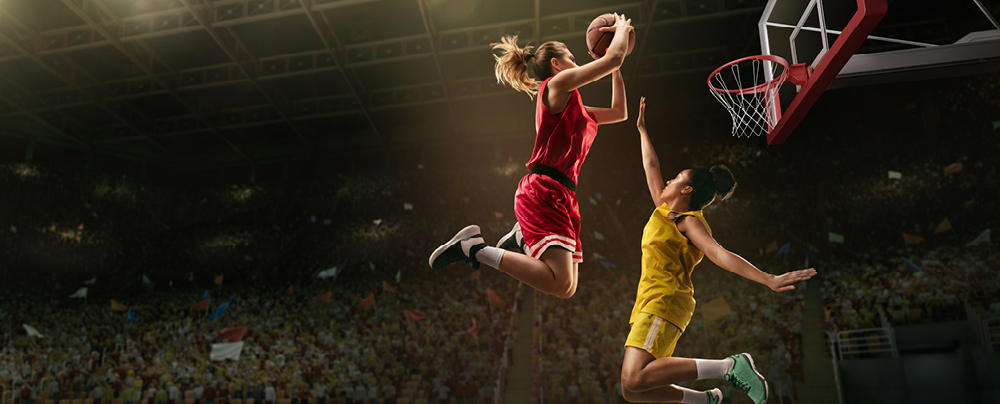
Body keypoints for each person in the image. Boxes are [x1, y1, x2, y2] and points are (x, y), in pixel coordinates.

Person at [617, 97, 817, 404]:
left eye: (677, 178)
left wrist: (767, 278)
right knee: (632, 390)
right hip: (649, 300)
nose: (668, 179)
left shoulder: (688, 221)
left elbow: (718, 253)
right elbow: (651, 165)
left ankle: (729, 367)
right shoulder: (665, 210)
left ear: (686, 190)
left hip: (665, 299)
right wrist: (642, 130)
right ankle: (706, 400)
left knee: (633, 378)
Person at [429, 13, 634, 299]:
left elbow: (619, 112)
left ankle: (520, 238)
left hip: (565, 193)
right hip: (544, 188)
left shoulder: (579, 109)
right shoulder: (554, 87)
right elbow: (612, 59)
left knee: (567, 288)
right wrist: (620, 32)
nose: (577, 64)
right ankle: (474, 247)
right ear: (556, 64)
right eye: (573, 58)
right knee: (559, 284)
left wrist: (614, 61)